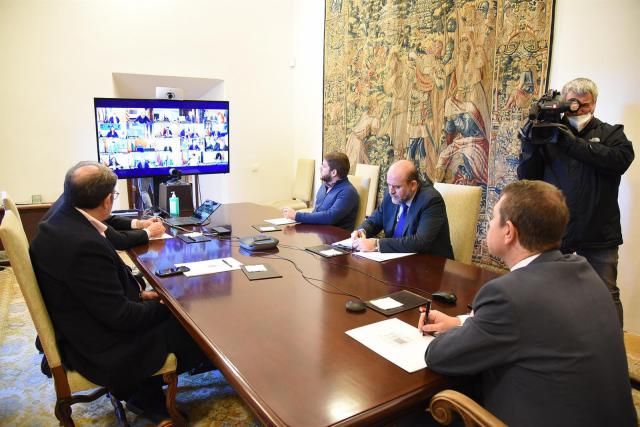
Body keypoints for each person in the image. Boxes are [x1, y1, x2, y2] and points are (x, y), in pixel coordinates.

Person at [420, 180, 636, 426]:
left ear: (509, 231)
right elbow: (536, 323)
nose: (489, 223)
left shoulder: (507, 295)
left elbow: (438, 356)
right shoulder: (586, 273)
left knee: (421, 415)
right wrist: (462, 323)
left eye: (492, 217)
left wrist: (461, 332)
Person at [29, 161, 210, 422]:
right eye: (113, 197)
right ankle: (143, 393)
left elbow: (100, 293)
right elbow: (122, 318)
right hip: (99, 346)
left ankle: (145, 390)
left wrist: (141, 296)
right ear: (106, 200)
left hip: (78, 318)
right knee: (193, 323)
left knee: (170, 305)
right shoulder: (82, 246)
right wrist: (169, 304)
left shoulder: (63, 212)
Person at [517, 77, 635, 326]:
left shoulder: (611, 133)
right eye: (573, 104)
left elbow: (620, 160)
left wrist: (570, 143)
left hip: (599, 233)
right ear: (562, 103)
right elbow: (527, 175)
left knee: (606, 294)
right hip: (557, 231)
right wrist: (529, 145)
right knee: (548, 291)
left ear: (594, 104)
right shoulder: (549, 131)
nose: (579, 110)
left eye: (586, 104)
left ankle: (612, 350)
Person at [351, 159, 453, 257]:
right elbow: (374, 221)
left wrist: (376, 244)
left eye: (397, 187)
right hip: (395, 261)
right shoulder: (390, 193)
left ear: (413, 185)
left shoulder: (431, 200)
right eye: (389, 185)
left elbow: (421, 242)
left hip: (429, 264)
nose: (391, 191)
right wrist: (362, 231)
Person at [44, 192, 165, 250]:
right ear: (107, 200)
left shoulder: (70, 200)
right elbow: (118, 240)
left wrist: (140, 223)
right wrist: (148, 232)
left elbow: (108, 218)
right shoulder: (83, 234)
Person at [282, 152, 359, 231]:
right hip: (319, 232)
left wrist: (297, 216)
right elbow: (316, 212)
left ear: (333, 173)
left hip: (336, 237)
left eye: (324, 166)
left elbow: (330, 217)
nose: (320, 168)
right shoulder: (324, 186)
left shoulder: (348, 192)